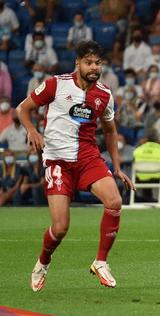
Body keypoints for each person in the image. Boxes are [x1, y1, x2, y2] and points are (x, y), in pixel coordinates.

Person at [16, 41, 135, 292]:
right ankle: (43, 262)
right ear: (77, 64)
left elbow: (110, 131)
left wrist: (117, 167)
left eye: (98, 63)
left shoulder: (104, 94)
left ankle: (101, 262)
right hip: (57, 160)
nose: (94, 67)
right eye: (88, 62)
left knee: (114, 201)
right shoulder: (55, 84)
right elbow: (23, 109)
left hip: (88, 157)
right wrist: (31, 130)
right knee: (60, 229)